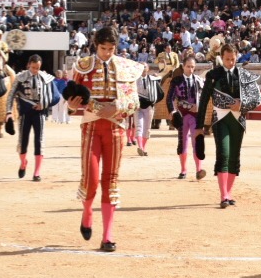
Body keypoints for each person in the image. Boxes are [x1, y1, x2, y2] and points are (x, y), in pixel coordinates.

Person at [65, 26, 140, 251]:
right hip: (91, 127)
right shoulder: (83, 66)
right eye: (103, 48)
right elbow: (71, 98)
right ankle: (87, 212)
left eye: (111, 48)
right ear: (95, 46)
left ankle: (108, 236)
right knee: (91, 179)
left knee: (111, 181)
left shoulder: (126, 68)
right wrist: (70, 105)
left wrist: (115, 106)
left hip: (116, 128)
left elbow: (134, 101)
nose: (107, 52)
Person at [198, 38, 251, 209]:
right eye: (227, 59)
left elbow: (253, 98)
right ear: (222, 57)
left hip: (238, 120)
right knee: (224, 153)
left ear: (236, 57)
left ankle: (228, 192)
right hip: (220, 119)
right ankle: (223, 195)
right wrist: (199, 126)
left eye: (233, 59)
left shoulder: (243, 75)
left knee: (234, 156)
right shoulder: (213, 75)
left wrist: (242, 104)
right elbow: (204, 100)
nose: (230, 62)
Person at [11, 54, 57, 180]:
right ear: (28, 65)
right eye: (33, 67)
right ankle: (23, 162)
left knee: (39, 141)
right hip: (25, 113)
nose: (35, 70)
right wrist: (9, 112)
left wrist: (43, 104)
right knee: (23, 140)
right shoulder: (20, 77)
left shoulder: (45, 78)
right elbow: (11, 95)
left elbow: (55, 96)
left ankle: (37, 173)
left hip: (39, 113)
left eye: (37, 68)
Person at [170, 52, 207, 180]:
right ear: (183, 66)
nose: (190, 69)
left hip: (195, 116)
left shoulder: (199, 80)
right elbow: (170, 98)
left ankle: (199, 169)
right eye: (188, 67)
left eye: (192, 67)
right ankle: (183, 170)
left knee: (197, 141)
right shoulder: (176, 81)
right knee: (183, 142)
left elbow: (204, 97)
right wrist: (173, 112)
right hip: (182, 115)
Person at [132, 59, 160, 156]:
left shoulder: (153, 79)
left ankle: (143, 148)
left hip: (148, 106)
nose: (143, 68)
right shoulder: (134, 79)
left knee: (147, 128)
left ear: (148, 69)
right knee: (139, 126)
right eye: (141, 66)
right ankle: (140, 147)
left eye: (145, 67)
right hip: (138, 106)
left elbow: (158, 92)